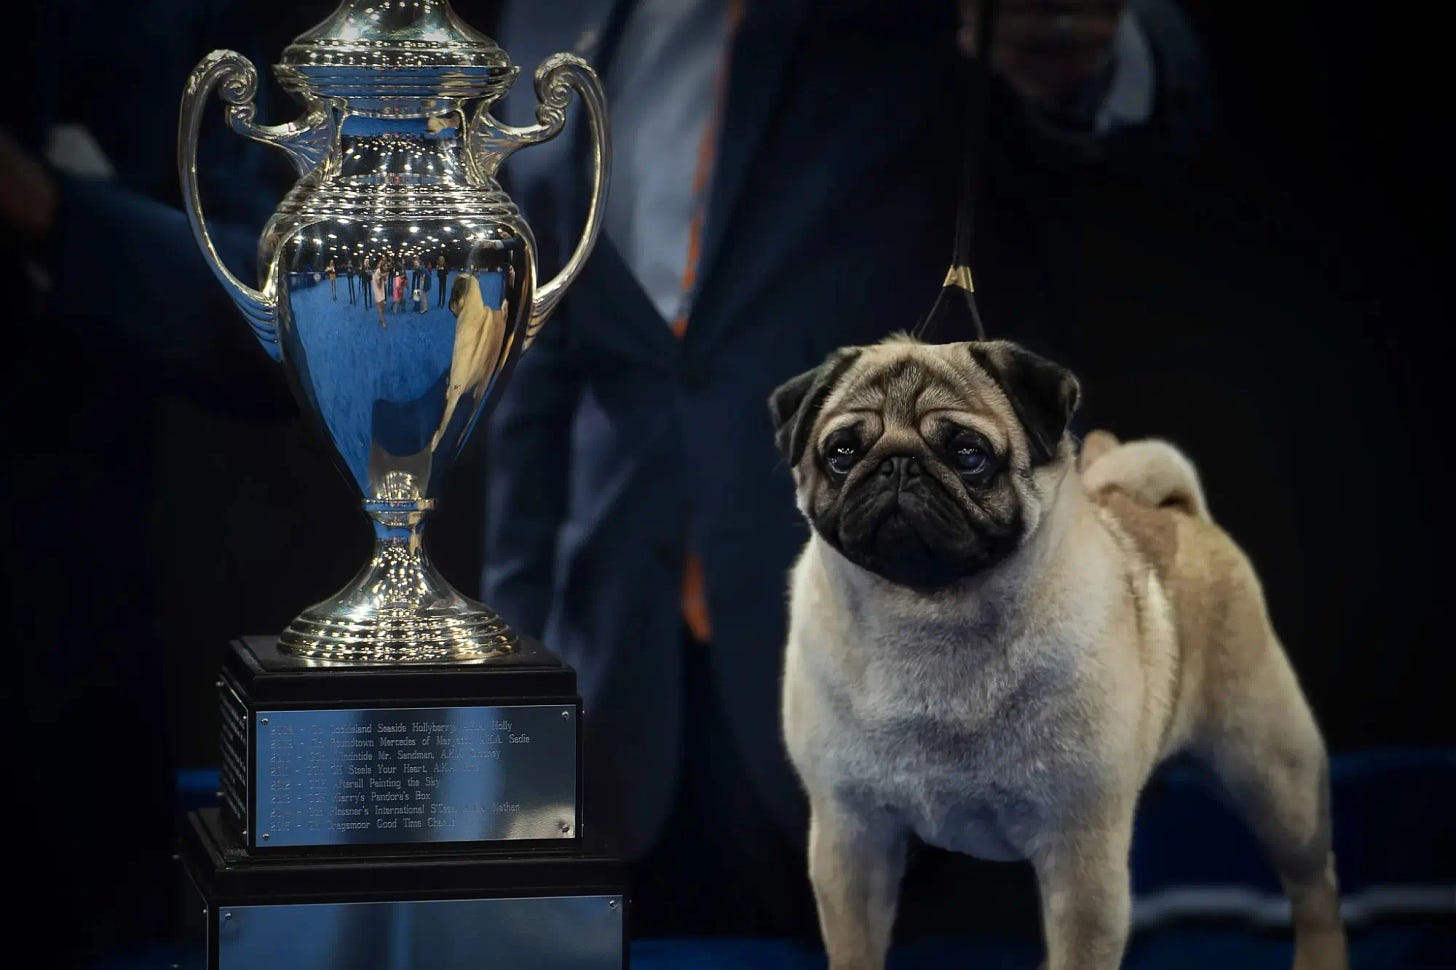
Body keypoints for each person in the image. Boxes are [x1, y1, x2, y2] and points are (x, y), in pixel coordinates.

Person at [483, 0, 1213, 941]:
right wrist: (514, 676)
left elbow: (1155, 105)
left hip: (928, 712)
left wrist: (1100, 58)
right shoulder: (550, 17)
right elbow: (537, 368)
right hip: (614, 703)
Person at [372, 258, 388, 329]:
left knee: (382, 305)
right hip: (377, 289)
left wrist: (384, 276)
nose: (386, 267)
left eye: (387, 266)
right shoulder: (378, 271)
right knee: (380, 304)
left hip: (382, 289)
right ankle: (383, 321)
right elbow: (378, 284)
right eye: (385, 266)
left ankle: (381, 317)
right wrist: (383, 276)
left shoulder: (384, 272)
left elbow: (385, 281)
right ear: (382, 266)